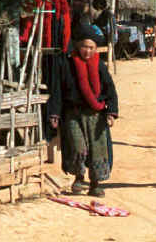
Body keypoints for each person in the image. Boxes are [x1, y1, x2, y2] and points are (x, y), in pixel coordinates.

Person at [47, 24, 118, 197]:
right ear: (78, 46)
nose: (87, 51)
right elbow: (57, 90)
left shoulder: (99, 65)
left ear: (95, 48)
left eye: (91, 47)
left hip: (96, 115)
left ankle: (95, 184)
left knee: (97, 149)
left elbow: (110, 88)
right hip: (73, 113)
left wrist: (111, 112)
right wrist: (54, 113)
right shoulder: (67, 64)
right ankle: (79, 177)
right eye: (85, 47)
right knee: (78, 147)